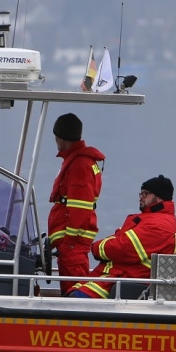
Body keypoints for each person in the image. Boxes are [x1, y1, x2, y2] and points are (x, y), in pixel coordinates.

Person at [70, 175, 176, 299]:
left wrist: (96, 248)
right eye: (140, 193)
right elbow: (119, 239)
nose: (141, 197)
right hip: (117, 278)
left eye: (145, 193)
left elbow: (122, 247)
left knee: (74, 298)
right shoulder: (149, 219)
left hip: (127, 281)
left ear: (159, 197)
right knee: (72, 294)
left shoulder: (159, 225)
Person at [47, 113, 105, 295]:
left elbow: (80, 208)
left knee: (74, 291)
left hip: (73, 244)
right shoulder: (80, 161)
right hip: (71, 243)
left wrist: (69, 242)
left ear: (62, 137)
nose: (55, 139)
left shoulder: (80, 165)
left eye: (56, 135)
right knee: (71, 286)